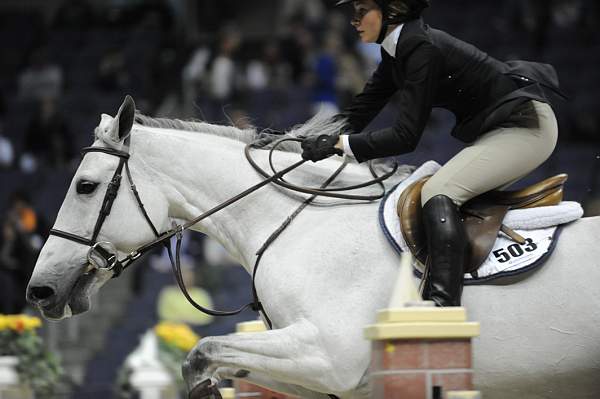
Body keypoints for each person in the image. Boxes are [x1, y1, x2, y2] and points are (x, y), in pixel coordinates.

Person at [300, 0, 563, 307]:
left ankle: (443, 304)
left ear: (391, 12)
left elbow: (405, 136)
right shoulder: (396, 50)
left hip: (526, 127)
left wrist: (338, 145)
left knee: (439, 191)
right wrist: (301, 141)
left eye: (361, 11)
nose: (353, 21)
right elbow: (360, 112)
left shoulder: (421, 49)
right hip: (501, 128)